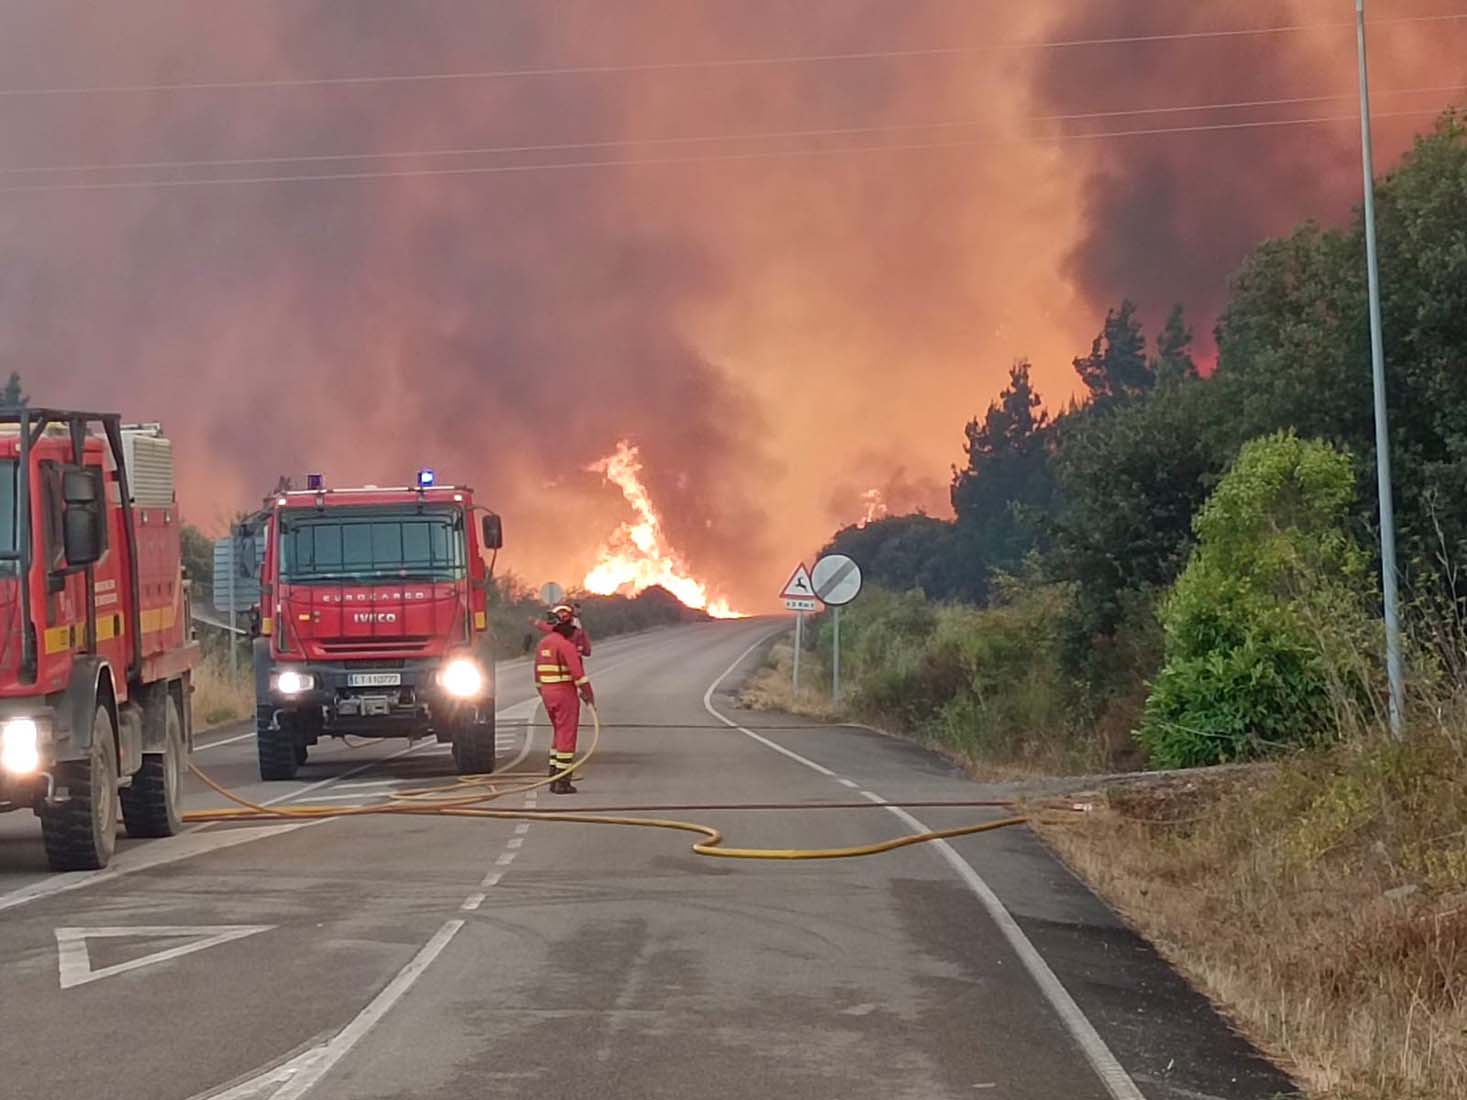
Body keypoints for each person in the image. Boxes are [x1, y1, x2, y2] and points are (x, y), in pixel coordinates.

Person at [534, 605, 595, 794]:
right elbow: (580, 676)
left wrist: (544, 692)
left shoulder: (543, 644)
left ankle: (553, 776)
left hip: (547, 694)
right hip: (565, 694)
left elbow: (536, 676)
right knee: (567, 736)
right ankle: (562, 781)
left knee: (558, 734)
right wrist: (589, 696)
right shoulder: (565, 646)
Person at [527, 601, 591, 657]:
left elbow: (549, 628)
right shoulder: (575, 623)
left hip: (567, 654)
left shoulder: (574, 623)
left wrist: (536, 622)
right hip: (569, 654)